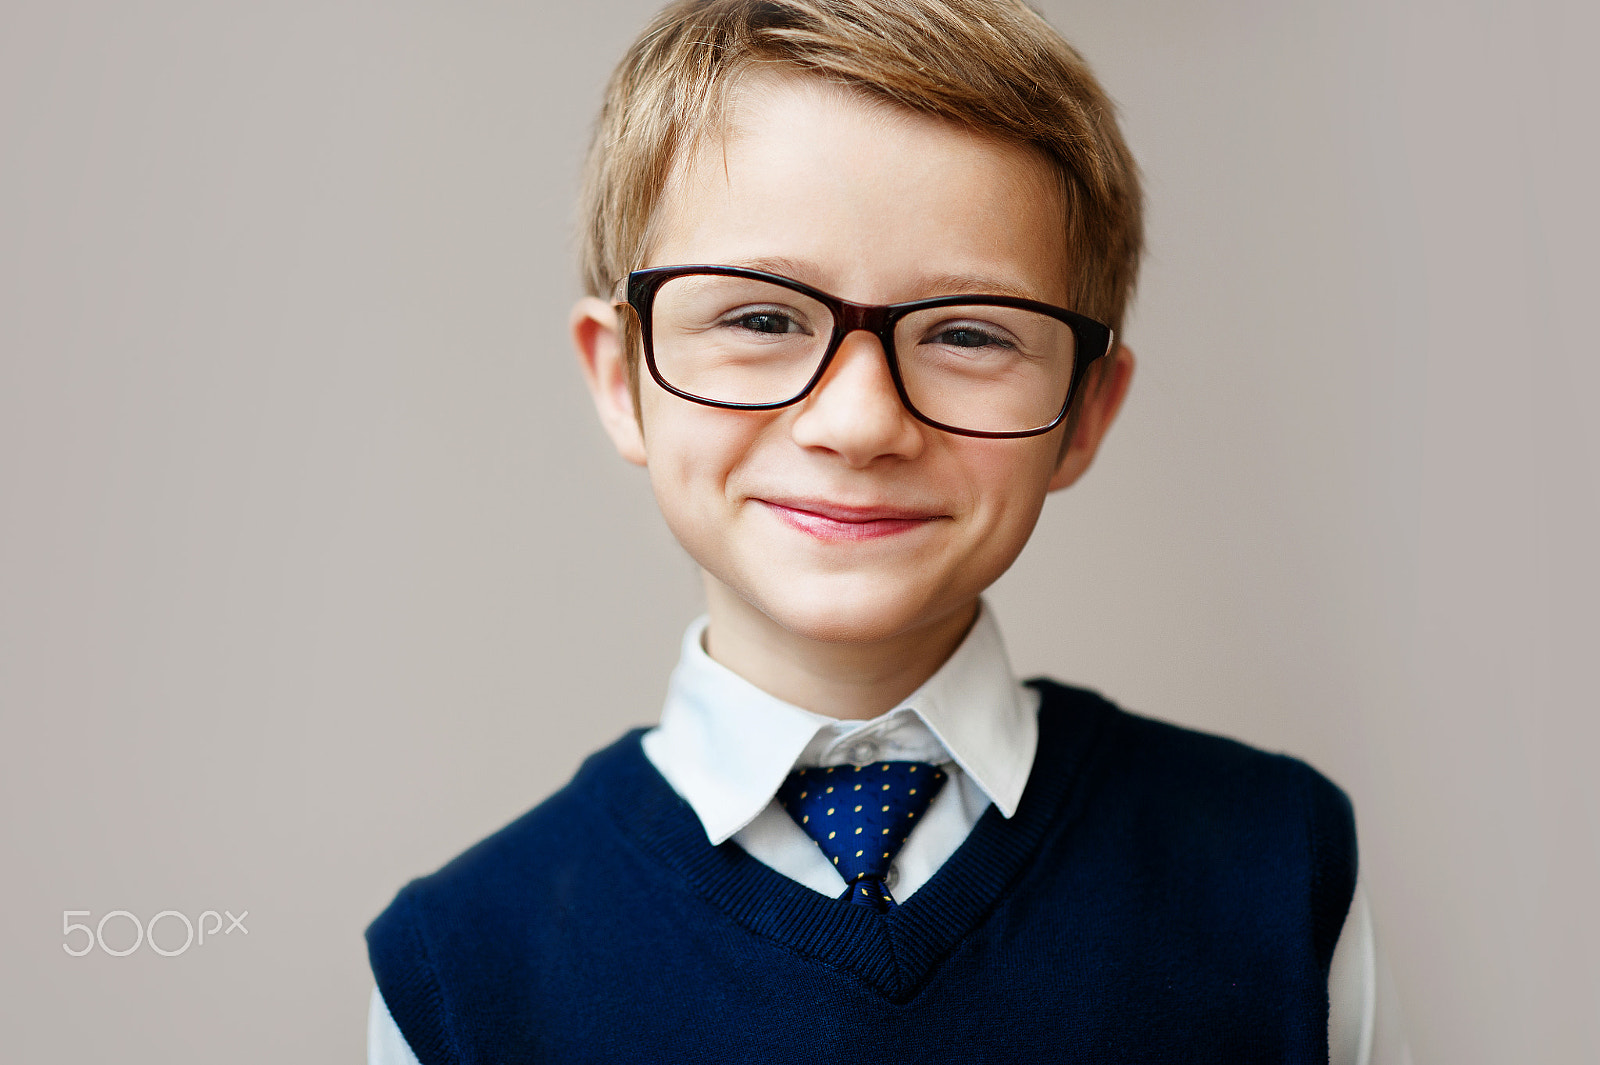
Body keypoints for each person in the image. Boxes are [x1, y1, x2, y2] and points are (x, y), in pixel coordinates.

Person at [366, 1, 1406, 1060]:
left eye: (967, 332)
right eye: (761, 318)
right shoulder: (459, 969)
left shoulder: (1278, 867)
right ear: (620, 378)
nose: (860, 423)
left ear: (1086, 411)